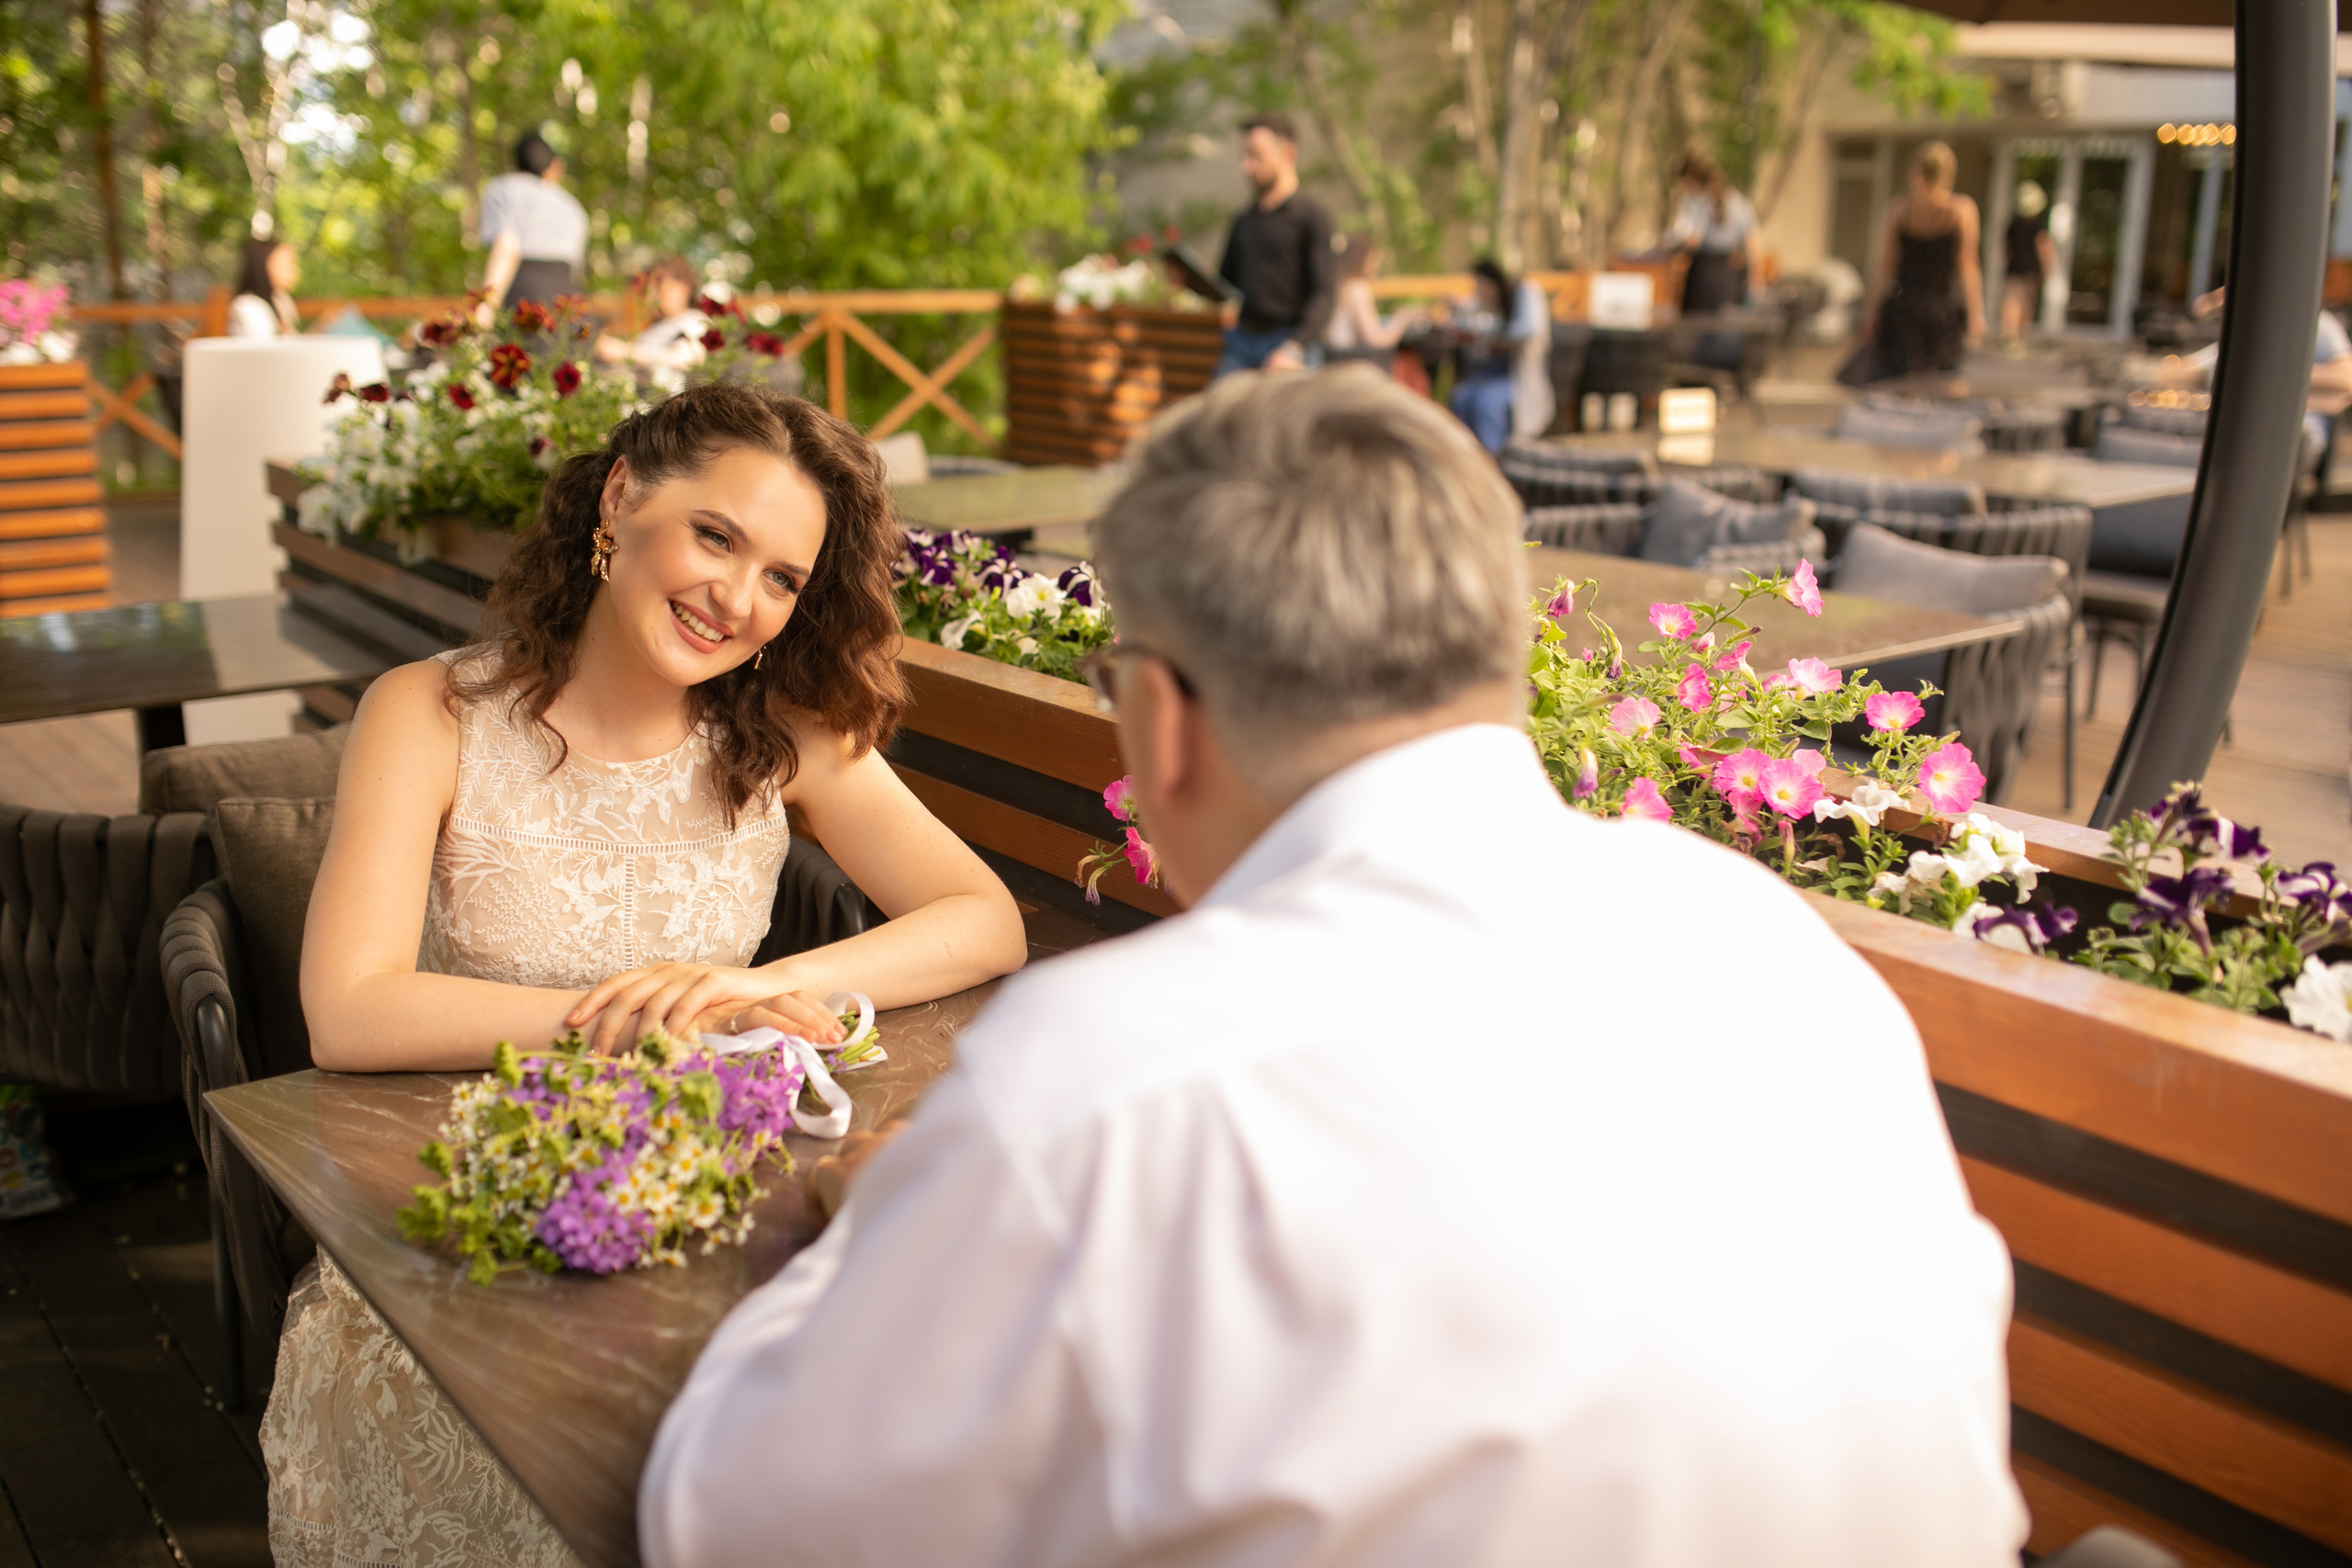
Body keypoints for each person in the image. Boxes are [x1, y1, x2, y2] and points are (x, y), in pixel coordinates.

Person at [639, 367, 2024, 1568]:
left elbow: (727, 1521)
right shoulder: (1779, 949)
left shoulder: (1114, 1080)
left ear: (1164, 723)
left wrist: (871, 1227)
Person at [266, 381, 1029, 1567]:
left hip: (716, 1207)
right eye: (717, 535)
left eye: (783, 576)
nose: (739, 598)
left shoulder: (786, 727)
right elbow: (350, 1007)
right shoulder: (427, 710)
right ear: (620, 498)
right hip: (480, 1216)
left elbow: (984, 916)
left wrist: (741, 991)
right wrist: (622, 1019)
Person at [1214, 114, 1336, 378]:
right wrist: (1187, 279)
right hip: (1242, 342)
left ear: (1288, 153)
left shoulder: (1311, 217)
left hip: (1291, 341)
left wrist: (1295, 347)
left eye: (1256, 155)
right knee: (1219, 412)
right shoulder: (1243, 221)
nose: (1247, 166)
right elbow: (1224, 285)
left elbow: (1324, 294)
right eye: (1244, 156)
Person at [1862, 141, 1984, 379]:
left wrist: (1871, 310)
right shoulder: (1961, 211)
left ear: (1916, 172)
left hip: (1904, 310)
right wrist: (1976, 313)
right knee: (1938, 384)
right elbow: (1967, 265)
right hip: (1943, 312)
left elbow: (1886, 264)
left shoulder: (1899, 211)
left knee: (1899, 383)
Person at [1447, 257, 1554, 453]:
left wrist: (1490, 340)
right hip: (1487, 376)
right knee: (1460, 398)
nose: (1480, 290)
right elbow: (1471, 316)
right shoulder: (1486, 303)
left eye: (1482, 285)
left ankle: (1494, 458)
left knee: (1485, 403)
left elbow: (1525, 332)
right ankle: (1466, 457)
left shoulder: (1524, 293)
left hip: (1514, 377)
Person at [479, 130, 590, 315]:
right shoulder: (572, 206)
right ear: (554, 166)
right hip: (568, 306)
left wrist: (485, 309)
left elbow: (506, 246)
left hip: (525, 302)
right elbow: (575, 271)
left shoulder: (503, 189)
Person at [1665, 152, 1764, 316]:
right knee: (1723, 327)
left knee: (1698, 325)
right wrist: (1756, 275)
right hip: (1728, 275)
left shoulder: (1698, 203)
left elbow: (1693, 239)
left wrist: (1672, 244)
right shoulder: (1739, 203)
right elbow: (1753, 241)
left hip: (1703, 272)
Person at [596, 254, 710, 378]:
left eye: (659, 286)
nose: (651, 295)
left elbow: (690, 360)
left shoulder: (694, 320)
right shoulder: (654, 326)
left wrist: (625, 352)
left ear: (683, 287)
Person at [1321, 234, 1425, 362]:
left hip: (1332, 358)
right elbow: (1376, 341)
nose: (1377, 266)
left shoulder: (1341, 285)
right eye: (1374, 259)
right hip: (1348, 362)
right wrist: (1401, 319)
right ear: (1362, 259)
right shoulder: (1357, 288)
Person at [2000, 180, 2056, 340]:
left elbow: (2006, 248)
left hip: (2015, 268)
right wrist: (2047, 267)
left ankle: (2009, 333)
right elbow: (2044, 247)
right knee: (2026, 303)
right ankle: (2019, 335)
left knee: (2011, 300)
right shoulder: (2038, 225)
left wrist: (2009, 261)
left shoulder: (2014, 224)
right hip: (2030, 269)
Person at [227, 236, 300, 337]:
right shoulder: (248, 307)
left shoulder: (281, 300)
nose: (294, 270)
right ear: (264, 265)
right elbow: (263, 349)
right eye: (286, 263)